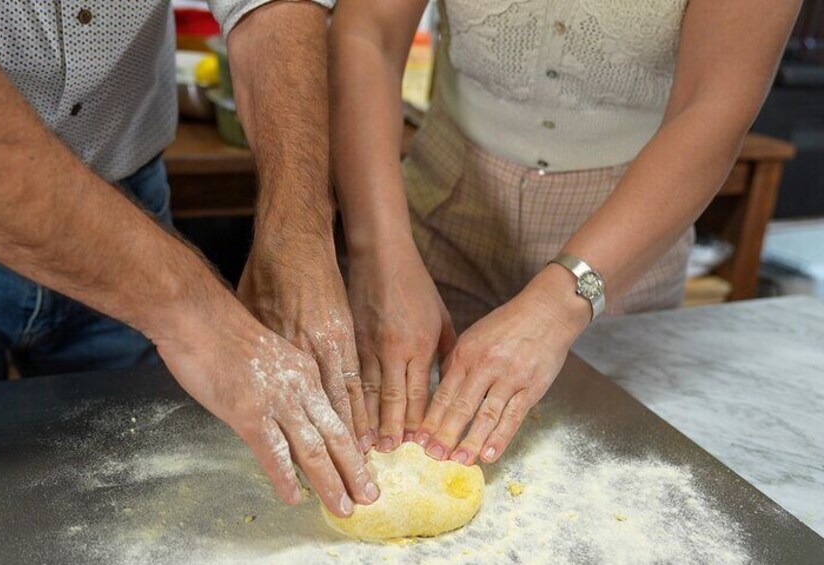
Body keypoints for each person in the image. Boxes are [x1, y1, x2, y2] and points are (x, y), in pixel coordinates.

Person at [329, 0, 801, 465]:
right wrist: (379, 253)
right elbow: (367, 33)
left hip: (626, 241)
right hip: (435, 215)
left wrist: (558, 307)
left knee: (600, 471)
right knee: (387, 435)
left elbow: (714, 103)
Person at [0, 1, 376, 517]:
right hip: (113, 253)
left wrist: (298, 229)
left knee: (142, 490)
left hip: (130, 195)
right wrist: (192, 310)